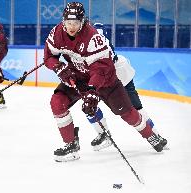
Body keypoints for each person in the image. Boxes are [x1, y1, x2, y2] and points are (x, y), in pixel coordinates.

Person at [44, 2, 167, 162]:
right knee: (57, 102)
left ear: (83, 22)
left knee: (128, 113)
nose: (71, 27)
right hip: (79, 78)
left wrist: (92, 91)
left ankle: (150, 135)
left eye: (75, 23)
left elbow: (101, 70)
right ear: (63, 21)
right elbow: (48, 57)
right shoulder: (57, 33)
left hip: (105, 81)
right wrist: (58, 66)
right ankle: (71, 145)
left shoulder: (93, 38)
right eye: (68, 23)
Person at [88, 22, 168, 151]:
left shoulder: (91, 35)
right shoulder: (96, 31)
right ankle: (157, 135)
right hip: (118, 69)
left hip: (109, 75)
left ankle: (104, 134)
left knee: (90, 104)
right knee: (136, 106)